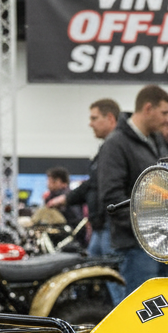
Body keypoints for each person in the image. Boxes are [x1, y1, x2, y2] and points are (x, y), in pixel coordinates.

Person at [98, 84, 168, 300]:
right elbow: (112, 199)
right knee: (138, 312)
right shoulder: (116, 144)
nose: (167, 119)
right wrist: (146, 228)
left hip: (161, 245)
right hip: (134, 247)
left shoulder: (156, 141)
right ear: (148, 108)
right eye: (164, 112)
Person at [49, 98, 121, 259]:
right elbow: (93, 184)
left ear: (110, 118)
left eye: (94, 118)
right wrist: (66, 199)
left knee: (112, 278)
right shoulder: (106, 149)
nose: (90, 124)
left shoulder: (117, 148)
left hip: (112, 227)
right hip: (100, 226)